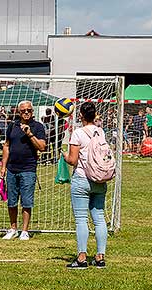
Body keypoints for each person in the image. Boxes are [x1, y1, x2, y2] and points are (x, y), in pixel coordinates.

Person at [63, 102, 108, 269]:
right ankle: (100, 256)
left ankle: (82, 257)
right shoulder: (100, 131)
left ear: (80, 115)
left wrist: (64, 156)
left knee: (81, 219)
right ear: (95, 114)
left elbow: (73, 160)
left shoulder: (78, 133)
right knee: (99, 218)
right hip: (100, 179)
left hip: (82, 178)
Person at [0, 101, 46, 240]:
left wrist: (30, 134)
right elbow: (6, 146)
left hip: (28, 169)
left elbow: (42, 147)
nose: (26, 113)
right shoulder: (12, 126)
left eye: (29, 110)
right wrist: (3, 167)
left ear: (32, 111)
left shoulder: (38, 127)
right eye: (23, 111)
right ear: (18, 112)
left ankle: (25, 230)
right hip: (12, 169)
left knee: (27, 201)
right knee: (12, 201)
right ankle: (13, 228)